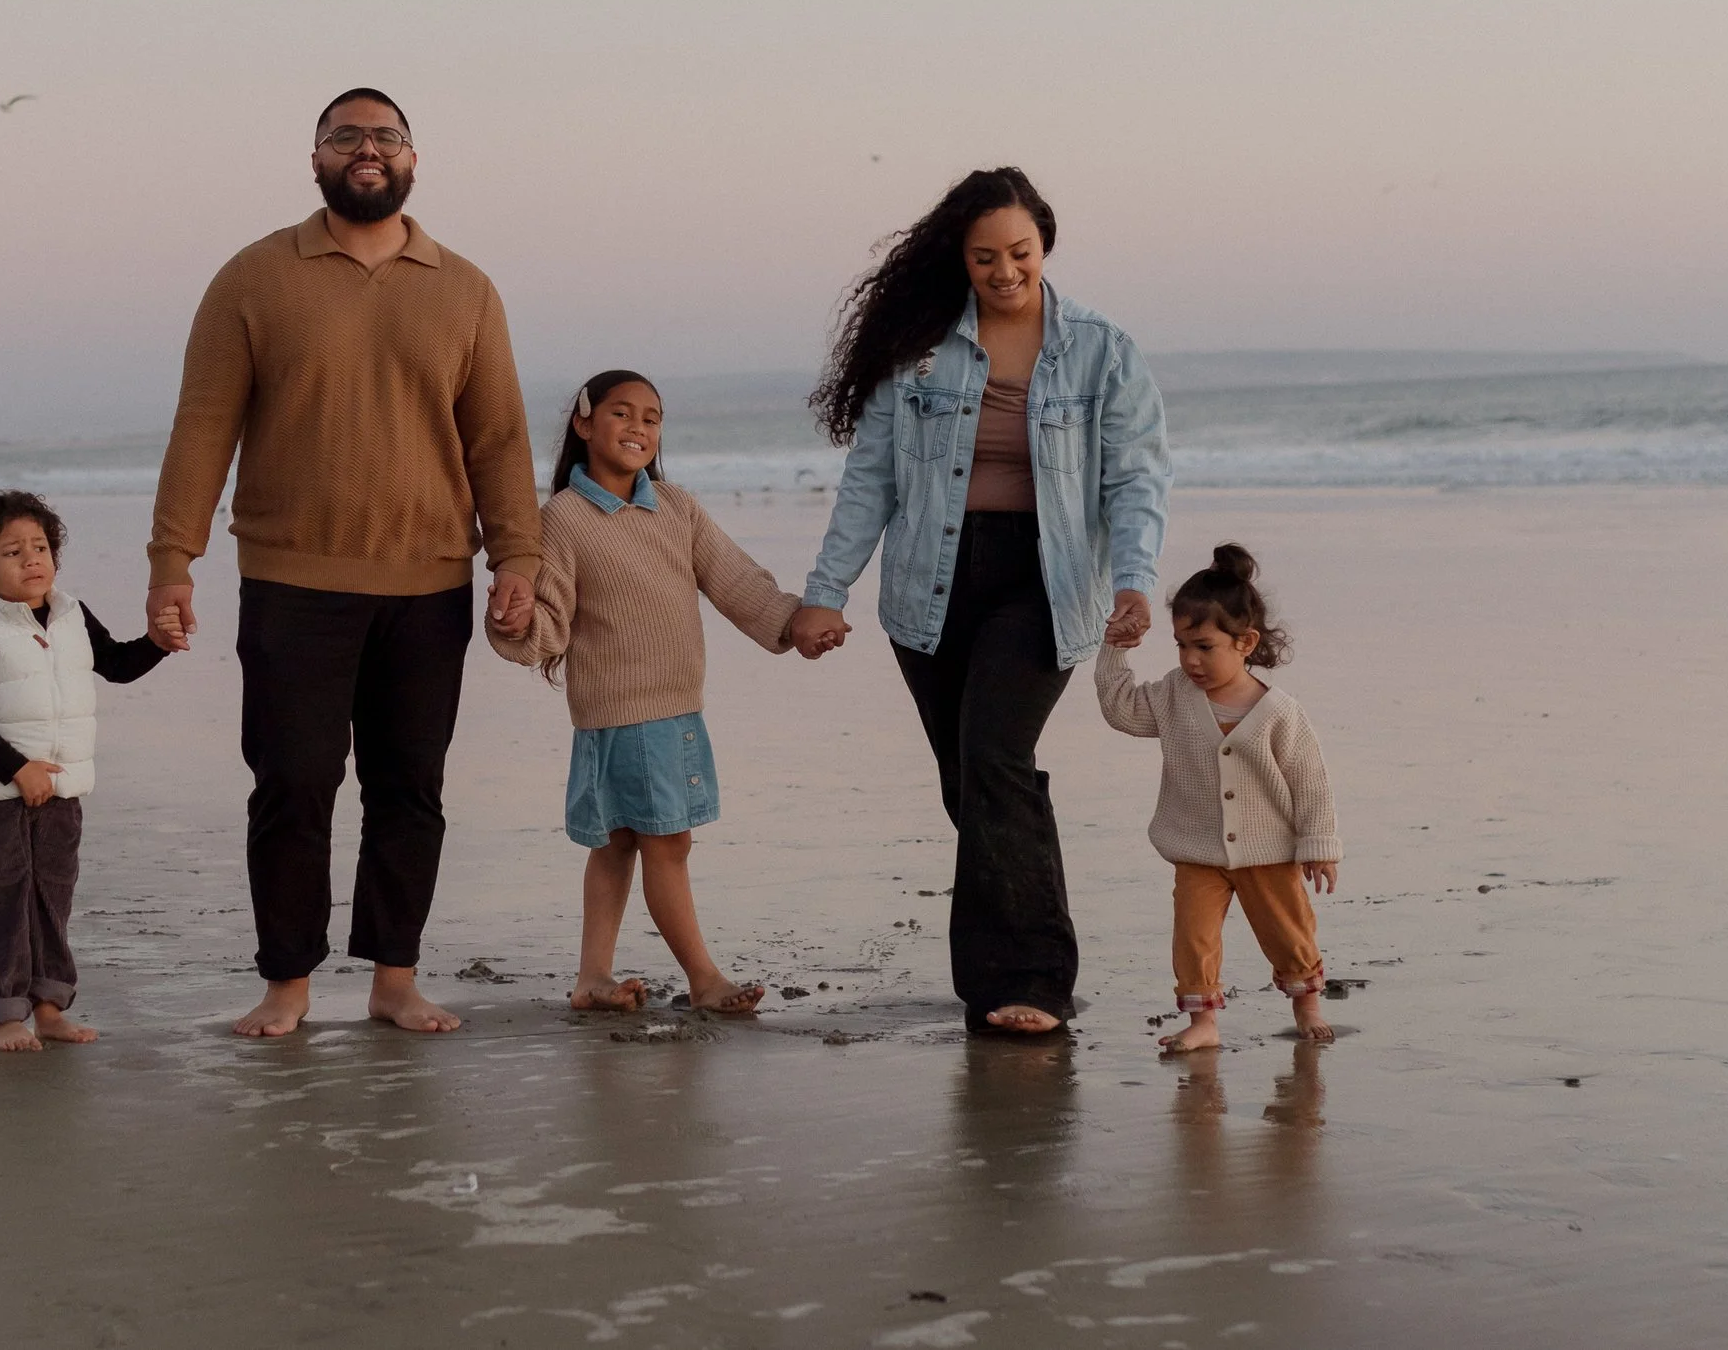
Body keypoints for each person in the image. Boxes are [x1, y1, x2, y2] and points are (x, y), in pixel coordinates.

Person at [144, 88, 543, 1037]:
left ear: (413, 159)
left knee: (411, 791)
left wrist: (517, 555)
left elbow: (498, 438)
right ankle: (287, 983)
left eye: (387, 136)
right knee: (293, 785)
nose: (368, 148)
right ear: (315, 158)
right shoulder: (253, 277)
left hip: (429, 581)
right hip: (292, 582)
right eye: (347, 136)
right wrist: (173, 559)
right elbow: (205, 426)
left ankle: (394, 978)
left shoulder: (465, 287)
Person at [791, 167, 1170, 1035]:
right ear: (960, 260)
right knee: (975, 782)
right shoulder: (920, 351)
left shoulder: (1102, 350)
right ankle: (1013, 972)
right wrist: (824, 593)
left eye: (1021, 252)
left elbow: (1137, 475)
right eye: (986, 257)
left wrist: (1134, 579)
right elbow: (870, 482)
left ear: (1046, 244)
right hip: (932, 580)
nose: (1006, 271)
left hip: (1045, 580)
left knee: (995, 757)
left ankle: (1028, 983)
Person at [487, 371, 799, 1015]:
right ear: (583, 424)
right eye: (621, 413)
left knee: (618, 844)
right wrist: (515, 622)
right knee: (667, 842)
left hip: (672, 708)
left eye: (652, 418)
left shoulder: (676, 507)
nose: (638, 428)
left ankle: (591, 979)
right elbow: (550, 622)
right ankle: (704, 979)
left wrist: (793, 621)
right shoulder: (566, 519)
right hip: (631, 715)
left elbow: (736, 580)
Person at [0, 491, 171, 1052]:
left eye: (40, 547)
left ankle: (49, 1007)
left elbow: (115, 665)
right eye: (13, 552)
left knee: (51, 900)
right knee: (1, 903)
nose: (32, 559)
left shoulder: (73, 615)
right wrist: (17, 770)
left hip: (62, 795)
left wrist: (156, 643)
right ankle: (5, 1016)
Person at [1092, 543, 1341, 1052]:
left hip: (1269, 852)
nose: (1190, 659)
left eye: (1204, 646)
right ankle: (1203, 1023)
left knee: (1288, 933)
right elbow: (1121, 711)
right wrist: (1114, 650)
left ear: (1245, 642)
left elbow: (1310, 782)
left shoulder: (1279, 713)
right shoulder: (1172, 694)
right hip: (1196, 848)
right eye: (1181, 645)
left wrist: (1319, 843)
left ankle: (1306, 1002)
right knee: (1194, 940)